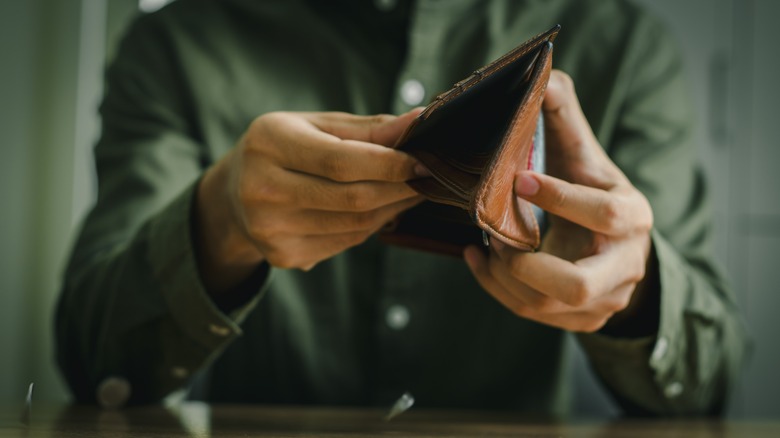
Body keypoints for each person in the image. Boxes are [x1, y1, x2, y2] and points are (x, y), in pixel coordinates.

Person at [56, 0, 748, 415]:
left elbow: (707, 387)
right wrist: (220, 220)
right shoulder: (175, 46)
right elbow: (96, 367)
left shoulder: (626, 47)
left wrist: (634, 291)